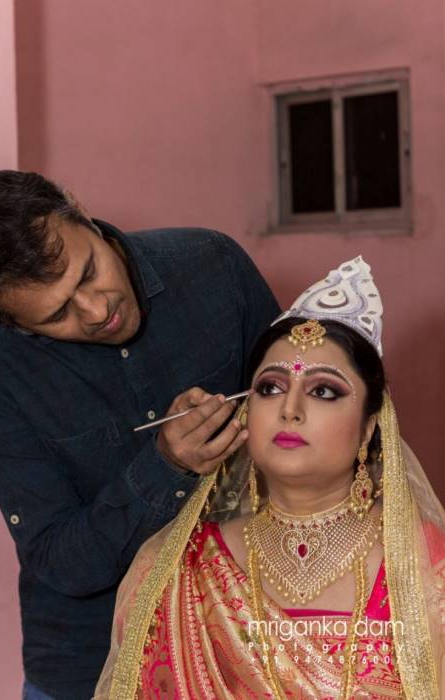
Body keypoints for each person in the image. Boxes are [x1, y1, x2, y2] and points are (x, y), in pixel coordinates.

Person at [0, 170, 280, 700]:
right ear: (11, 323)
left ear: (78, 209)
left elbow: (301, 419)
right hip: (91, 659)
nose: (97, 311)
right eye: (58, 315)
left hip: (248, 637)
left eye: (89, 272)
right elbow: (59, 560)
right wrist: (166, 468)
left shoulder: (212, 265)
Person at [95, 257, 445, 700]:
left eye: (323, 391)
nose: (289, 409)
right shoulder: (172, 571)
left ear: (368, 428)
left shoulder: (428, 567)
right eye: (270, 387)